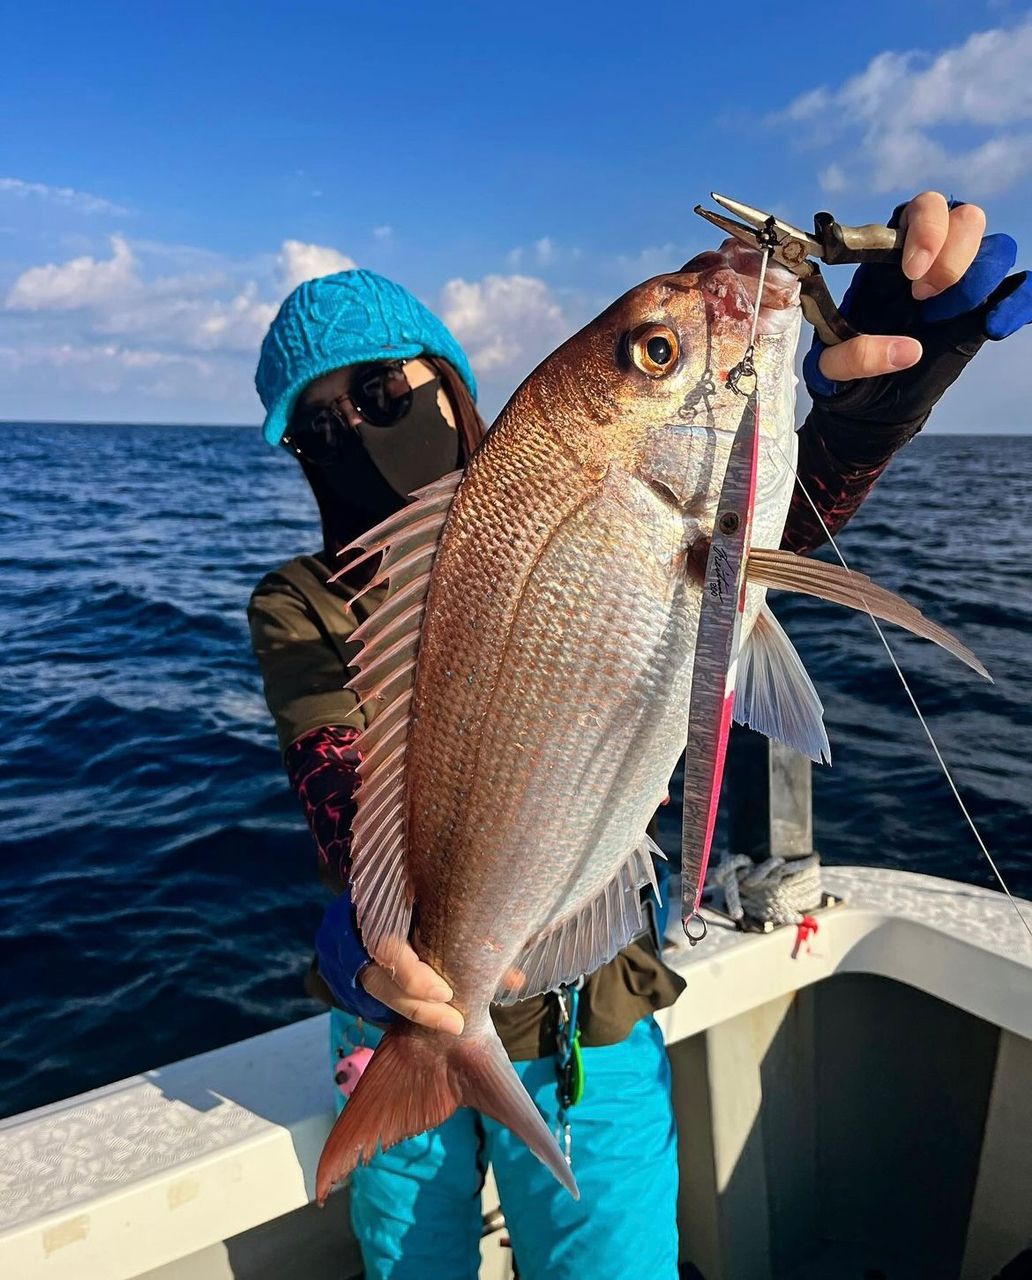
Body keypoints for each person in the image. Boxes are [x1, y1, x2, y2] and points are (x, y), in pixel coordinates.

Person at [248, 194, 1030, 1280]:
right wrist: (387, 946)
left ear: (451, 378)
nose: (354, 432)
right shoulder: (301, 599)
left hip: (590, 1012)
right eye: (316, 426)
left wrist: (869, 417)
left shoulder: (586, 487)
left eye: (381, 391)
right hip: (393, 1014)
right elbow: (335, 779)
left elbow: (760, 533)